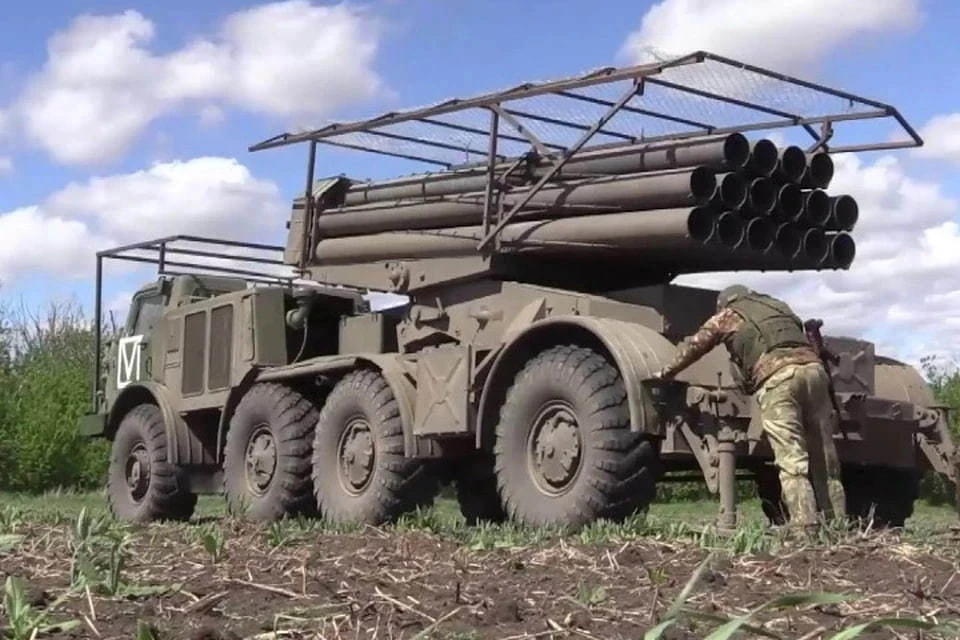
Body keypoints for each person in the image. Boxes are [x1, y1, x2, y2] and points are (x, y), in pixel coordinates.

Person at [653, 284, 845, 530]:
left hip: (778, 379)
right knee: (825, 459)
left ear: (726, 302)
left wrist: (667, 372)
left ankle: (804, 526)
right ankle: (837, 525)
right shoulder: (779, 306)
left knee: (791, 459)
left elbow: (696, 346)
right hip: (815, 373)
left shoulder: (728, 315)